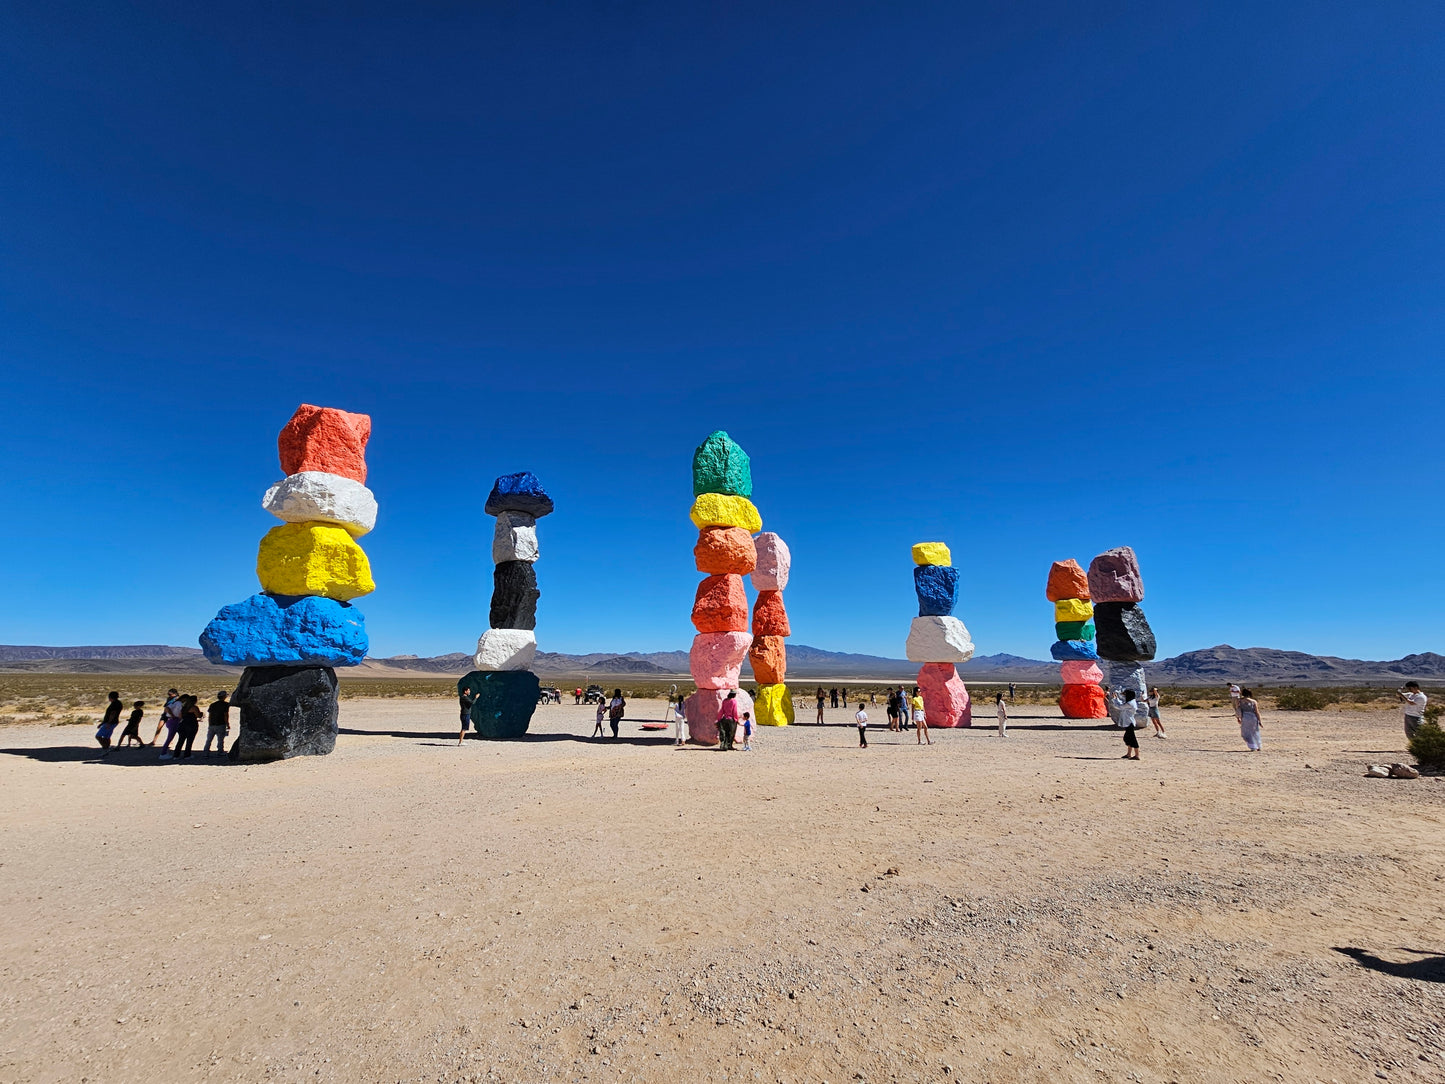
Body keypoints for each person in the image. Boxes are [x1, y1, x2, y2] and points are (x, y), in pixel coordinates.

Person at [204, 690, 231, 756]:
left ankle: (206, 752)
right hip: (221, 724)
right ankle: (220, 751)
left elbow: (210, 715)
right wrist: (227, 723)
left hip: (212, 724)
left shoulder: (212, 705)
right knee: (220, 739)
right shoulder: (225, 705)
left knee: (209, 739)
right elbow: (225, 715)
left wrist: (210, 723)